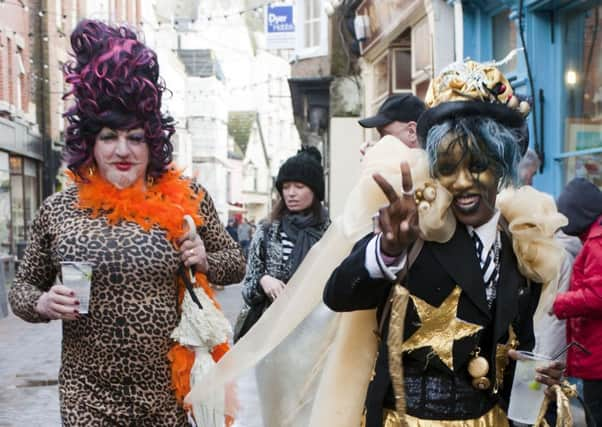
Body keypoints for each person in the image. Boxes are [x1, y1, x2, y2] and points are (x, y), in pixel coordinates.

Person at [8, 20, 245, 426]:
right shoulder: (59, 209)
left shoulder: (188, 200)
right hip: (88, 395)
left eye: (135, 137)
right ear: (90, 144)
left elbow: (235, 264)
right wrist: (43, 303)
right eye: (108, 137)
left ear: (152, 143)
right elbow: (21, 288)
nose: (122, 150)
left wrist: (205, 258)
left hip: (167, 396)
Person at [323, 59, 566, 426]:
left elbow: (517, 352)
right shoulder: (412, 229)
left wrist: (539, 383)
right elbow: (339, 293)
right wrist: (386, 251)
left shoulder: (522, 243)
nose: (463, 182)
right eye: (449, 167)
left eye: (478, 164)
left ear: (501, 167)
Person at [234, 146, 330, 426]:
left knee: (307, 406)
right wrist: (264, 280)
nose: (291, 193)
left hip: (314, 336)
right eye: (286, 186)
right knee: (271, 407)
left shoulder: (331, 234)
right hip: (271, 336)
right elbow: (248, 286)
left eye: (299, 186)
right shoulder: (267, 231)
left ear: (314, 190)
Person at [553, 177, 602, 426]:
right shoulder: (593, 240)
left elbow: (597, 296)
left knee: (595, 415)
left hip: (598, 357)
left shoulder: (596, 245)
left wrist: (559, 303)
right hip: (595, 354)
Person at [358, 94, 426, 156]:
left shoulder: (434, 167)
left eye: (386, 135)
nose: (380, 143)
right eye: (381, 136)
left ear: (412, 132)